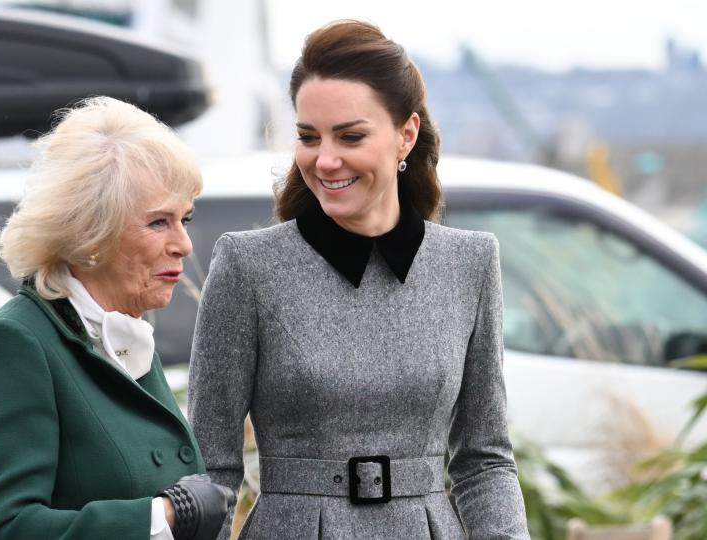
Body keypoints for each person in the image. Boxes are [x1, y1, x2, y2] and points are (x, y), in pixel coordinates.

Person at [188, 21, 529, 539]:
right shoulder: (248, 267)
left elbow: (485, 461)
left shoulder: (470, 263)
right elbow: (211, 469)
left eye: (350, 136)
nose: (324, 160)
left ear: (406, 135)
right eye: (307, 137)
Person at [0, 96, 234, 540]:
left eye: (185, 218)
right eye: (159, 222)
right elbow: (5, 529)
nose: (184, 243)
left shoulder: (123, 332)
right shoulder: (18, 343)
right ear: (92, 231)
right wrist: (164, 515)